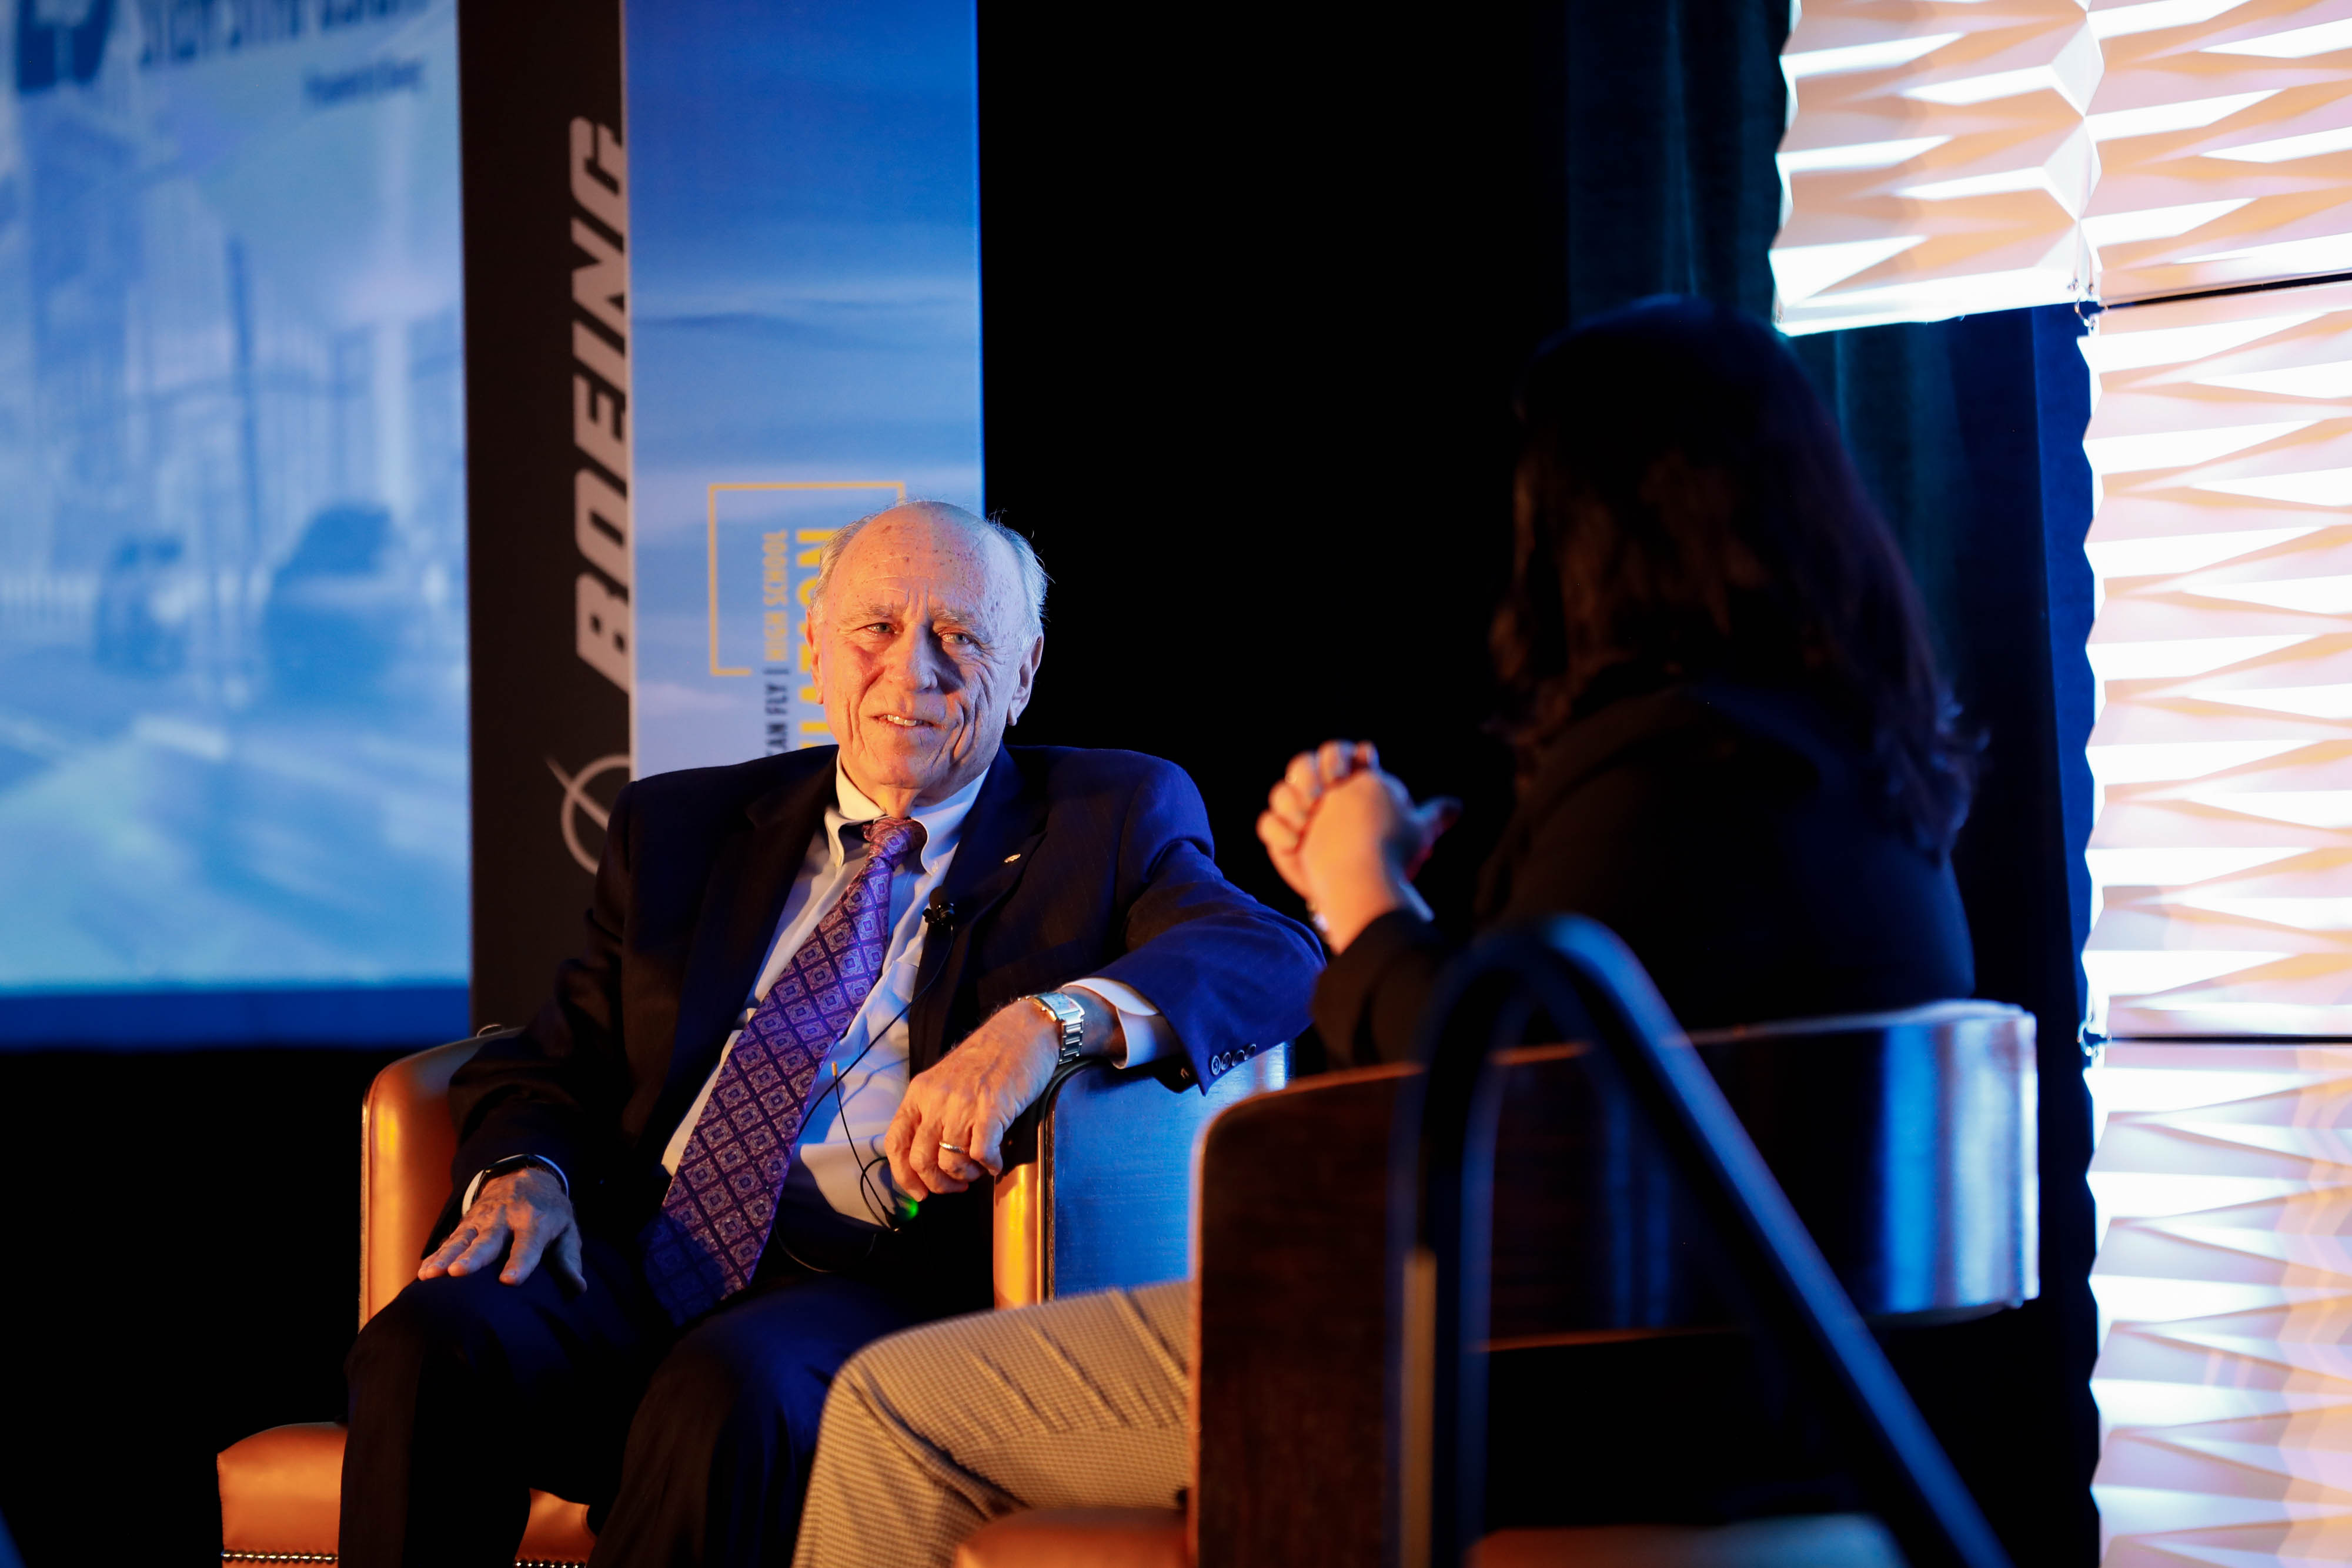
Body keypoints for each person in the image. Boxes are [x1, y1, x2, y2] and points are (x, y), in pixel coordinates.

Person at [787, 296, 1980, 1566]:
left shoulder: (1666, 780)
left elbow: (1486, 1100)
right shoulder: (1842, 770)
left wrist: (1358, 893)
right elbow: (1578, 1045)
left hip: (1562, 1381)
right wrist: (1381, 899)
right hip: (1775, 1391)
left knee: (888, 1409)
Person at [337, 502, 1321, 1568]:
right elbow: (554, 1062)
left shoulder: (1107, 815)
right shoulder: (680, 827)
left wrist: (1045, 1026)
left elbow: (1272, 957)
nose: (914, 670)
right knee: (429, 1339)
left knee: (728, 1388)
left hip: (881, 1282)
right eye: (877, 629)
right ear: (814, 647)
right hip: (638, 1258)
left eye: (960, 635)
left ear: (1025, 671)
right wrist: (527, 1173)